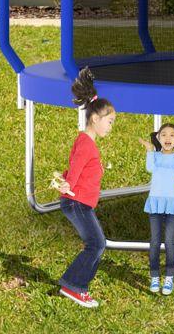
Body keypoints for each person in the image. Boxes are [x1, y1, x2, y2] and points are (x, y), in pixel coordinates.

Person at [55, 68, 116, 308]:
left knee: (97, 244)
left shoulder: (86, 142)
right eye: (109, 122)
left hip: (79, 201)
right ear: (95, 118)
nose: (111, 127)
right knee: (97, 244)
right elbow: (78, 165)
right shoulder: (87, 144)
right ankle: (74, 286)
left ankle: (76, 286)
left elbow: (75, 166)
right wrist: (69, 182)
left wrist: (67, 177)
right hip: (76, 201)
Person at [139, 122, 174, 295]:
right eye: (164, 134)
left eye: (172, 135)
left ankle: (169, 276)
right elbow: (149, 168)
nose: (168, 138)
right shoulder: (154, 155)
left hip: (173, 203)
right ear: (158, 138)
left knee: (170, 241)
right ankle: (155, 276)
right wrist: (149, 150)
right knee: (155, 242)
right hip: (155, 202)